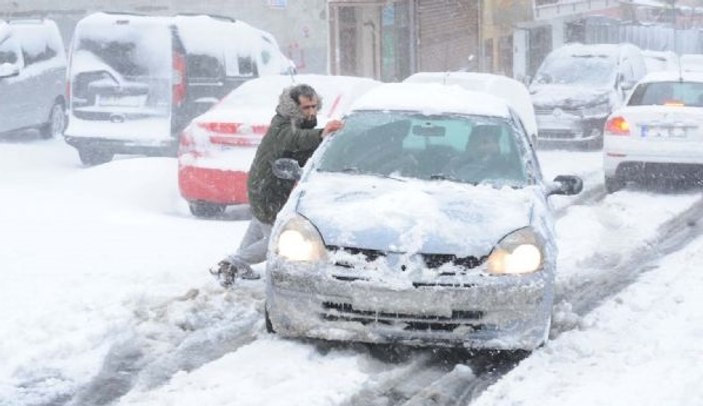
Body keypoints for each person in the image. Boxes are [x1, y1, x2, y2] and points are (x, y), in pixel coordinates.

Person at [210, 84, 343, 287]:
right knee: (278, 239)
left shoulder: (303, 122)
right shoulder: (283, 123)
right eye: (306, 108)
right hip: (267, 188)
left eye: (314, 106)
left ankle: (237, 264)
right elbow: (293, 139)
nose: (312, 112)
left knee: (258, 223)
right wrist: (320, 134)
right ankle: (232, 262)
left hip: (272, 185)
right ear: (294, 108)